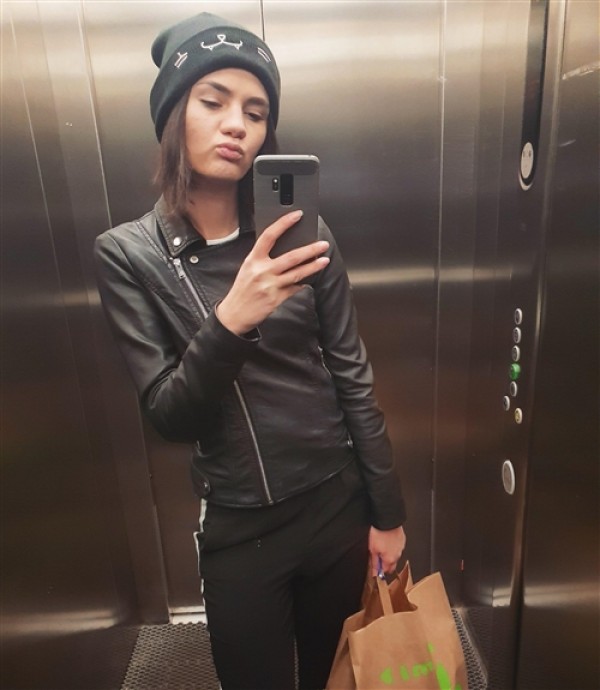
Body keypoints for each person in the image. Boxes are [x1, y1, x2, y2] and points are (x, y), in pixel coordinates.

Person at [94, 12, 407, 690]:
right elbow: (170, 415)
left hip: (338, 508)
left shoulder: (304, 235)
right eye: (213, 102)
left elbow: (352, 374)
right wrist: (232, 319)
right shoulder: (129, 255)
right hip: (241, 529)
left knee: (332, 675)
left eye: (256, 111)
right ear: (173, 113)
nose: (236, 124)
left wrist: (388, 513)